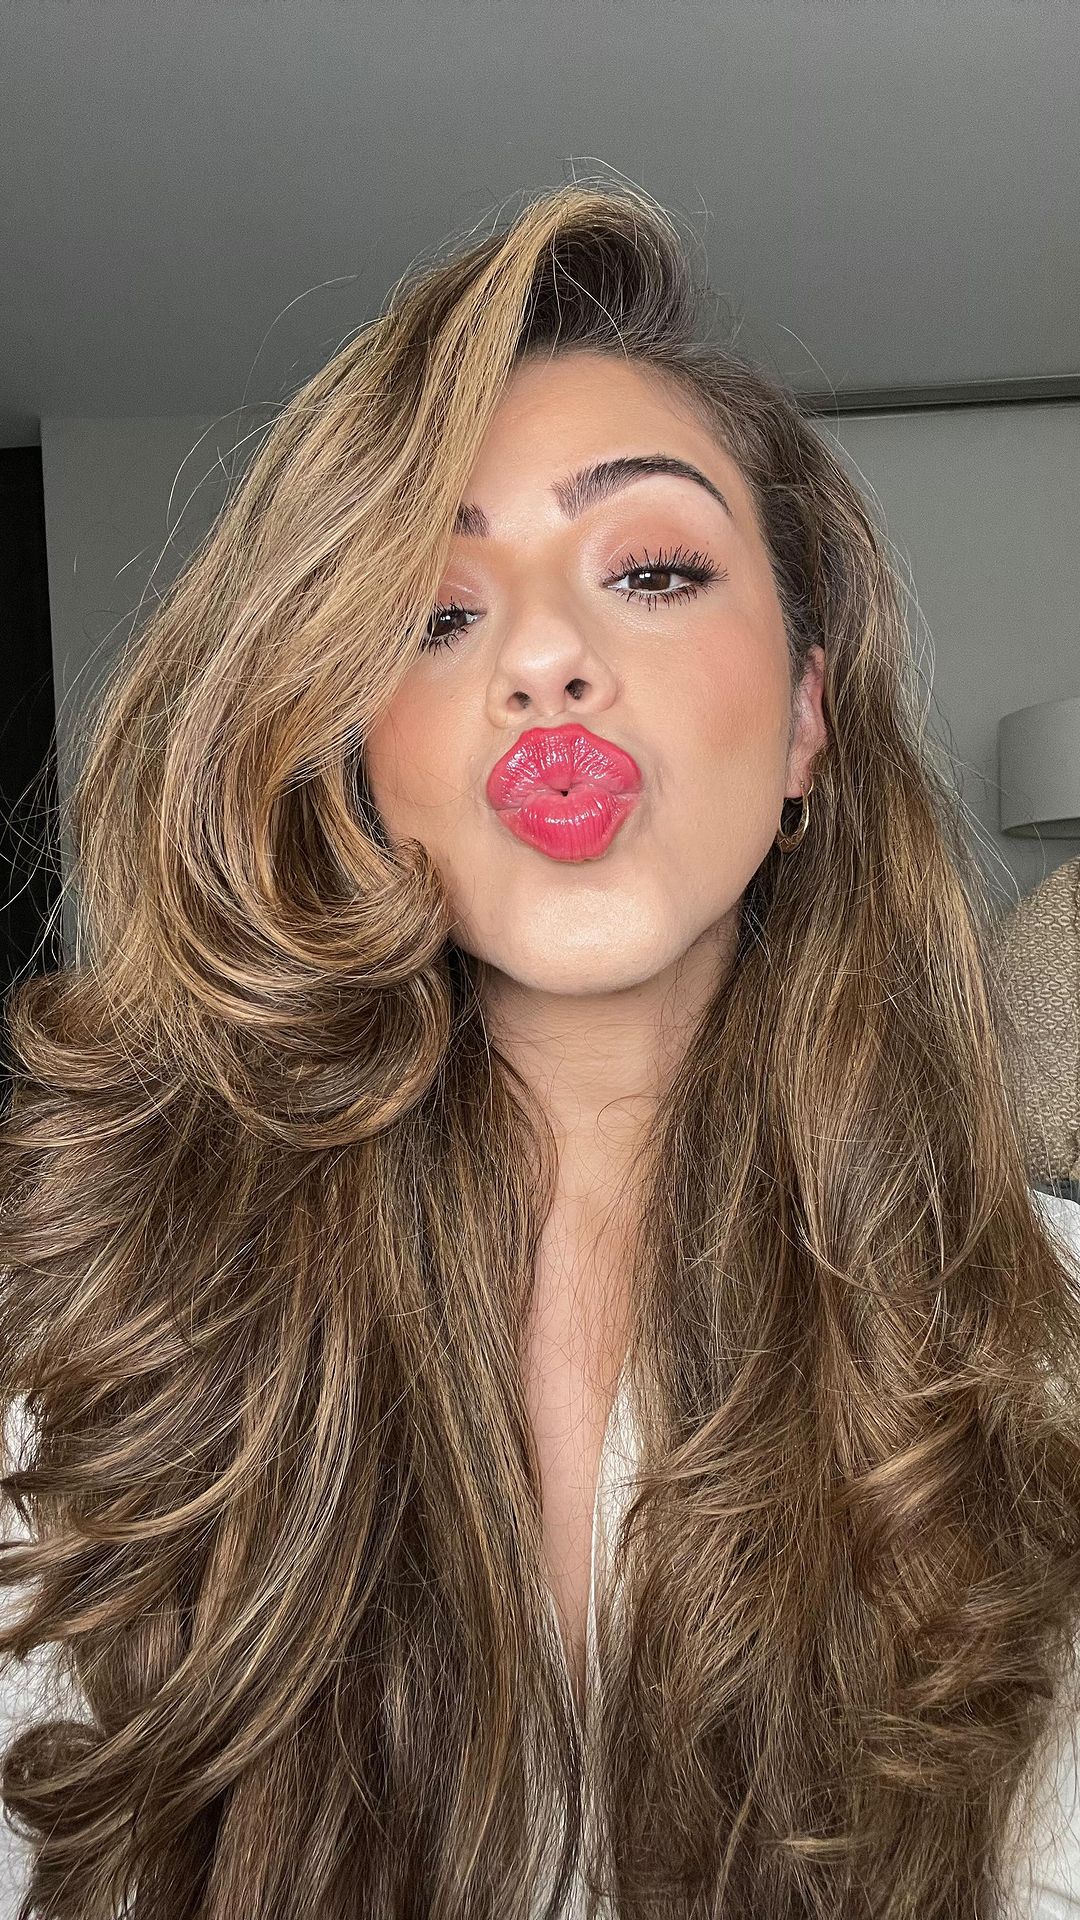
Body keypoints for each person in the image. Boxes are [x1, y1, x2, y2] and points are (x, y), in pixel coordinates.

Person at [2, 179, 1080, 1920]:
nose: (545, 658)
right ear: (357, 756)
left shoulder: (1048, 1347)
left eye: (651, 571)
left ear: (807, 719)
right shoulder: (113, 1353)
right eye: (435, 616)